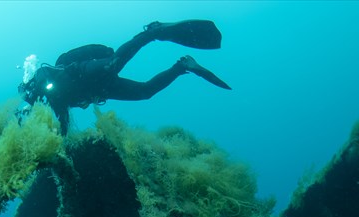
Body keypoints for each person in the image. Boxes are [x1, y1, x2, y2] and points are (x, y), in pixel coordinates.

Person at [18, 20, 232, 133]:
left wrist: (35, 91)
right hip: (101, 89)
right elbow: (63, 125)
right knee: (145, 92)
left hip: (84, 71)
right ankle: (182, 66)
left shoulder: (39, 80)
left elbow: (46, 75)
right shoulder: (57, 107)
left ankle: (151, 32)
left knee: (113, 63)